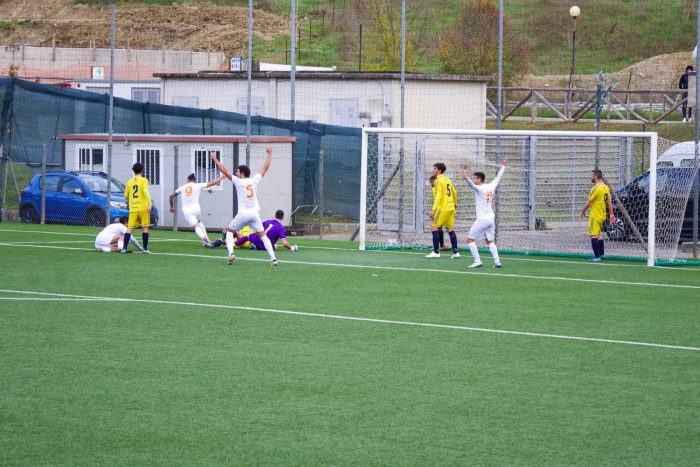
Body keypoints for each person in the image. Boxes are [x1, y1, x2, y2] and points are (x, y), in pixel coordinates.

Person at [210, 148, 278, 266]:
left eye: (237, 172)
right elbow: (265, 168)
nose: (236, 173)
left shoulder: (238, 181)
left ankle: (231, 253)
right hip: (254, 214)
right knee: (262, 235)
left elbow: (224, 171)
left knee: (229, 231)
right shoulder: (254, 180)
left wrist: (215, 158)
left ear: (242, 173)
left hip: (243, 214)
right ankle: (273, 259)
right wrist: (270, 154)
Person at [458, 158, 507, 268]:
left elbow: (473, 186)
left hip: (482, 220)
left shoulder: (479, 188)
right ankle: (497, 262)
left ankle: (477, 261)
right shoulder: (491, 186)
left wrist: (466, 179)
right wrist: (503, 166)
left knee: (469, 239)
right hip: (490, 219)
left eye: (474, 178)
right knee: (489, 241)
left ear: (479, 179)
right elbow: (498, 178)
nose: (473, 179)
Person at [169, 173, 225, 247]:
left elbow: (171, 196)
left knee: (196, 226)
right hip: (196, 208)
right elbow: (212, 183)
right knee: (199, 222)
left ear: (188, 180)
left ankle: (204, 238)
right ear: (195, 181)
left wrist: (171, 207)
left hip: (187, 210)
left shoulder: (183, 187)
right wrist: (221, 178)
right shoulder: (198, 185)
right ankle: (206, 239)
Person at [580, 169, 616, 262]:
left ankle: (597, 256)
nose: (591, 177)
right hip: (602, 215)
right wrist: (611, 213)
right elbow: (609, 202)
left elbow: (589, 202)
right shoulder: (605, 187)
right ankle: (602, 254)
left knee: (593, 235)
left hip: (595, 216)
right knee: (599, 235)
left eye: (592, 175)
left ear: (595, 176)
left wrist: (583, 210)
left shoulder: (596, 188)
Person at [426, 162, 459, 259]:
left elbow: (439, 196)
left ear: (439, 170)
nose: (433, 170)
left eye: (435, 169)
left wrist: (433, 209)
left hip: (443, 208)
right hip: (451, 207)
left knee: (434, 228)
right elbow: (454, 191)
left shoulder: (438, 180)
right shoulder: (447, 179)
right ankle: (456, 252)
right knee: (450, 229)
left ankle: (436, 252)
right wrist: (455, 203)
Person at [230, 210, 299, 252]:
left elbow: (258, 228)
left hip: (256, 239)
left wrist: (254, 234)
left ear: (275, 215)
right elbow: (284, 243)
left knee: (248, 237)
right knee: (275, 246)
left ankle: (232, 244)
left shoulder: (268, 221)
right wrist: (292, 248)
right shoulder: (281, 228)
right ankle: (254, 245)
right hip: (264, 247)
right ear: (283, 217)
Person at [121, 162, 152, 254]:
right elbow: (145, 191)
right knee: (145, 227)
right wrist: (150, 203)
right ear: (142, 170)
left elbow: (126, 196)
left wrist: (132, 199)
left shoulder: (129, 182)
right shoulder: (144, 180)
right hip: (143, 207)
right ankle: (145, 249)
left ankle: (124, 248)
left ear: (133, 171)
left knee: (129, 228)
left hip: (133, 208)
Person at [428, 175, 446, 251]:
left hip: (442, 210)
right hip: (443, 208)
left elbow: (438, 200)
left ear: (434, 181)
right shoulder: (434, 188)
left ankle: (437, 249)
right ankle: (442, 246)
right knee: (440, 228)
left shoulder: (437, 188)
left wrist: (433, 210)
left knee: (435, 228)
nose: (430, 183)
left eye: (430, 182)